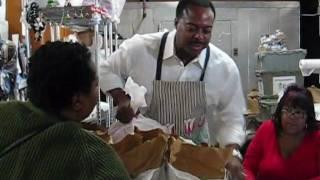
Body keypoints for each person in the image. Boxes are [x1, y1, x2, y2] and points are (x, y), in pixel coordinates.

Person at [100, 0, 246, 178]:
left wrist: (232, 152)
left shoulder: (223, 67)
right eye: (192, 28)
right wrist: (120, 97)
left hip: (193, 158)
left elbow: (232, 117)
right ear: (177, 23)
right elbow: (106, 69)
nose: (199, 36)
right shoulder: (141, 48)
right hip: (147, 154)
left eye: (206, 30)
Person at [0, 41, 130, 179]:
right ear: (77, 102)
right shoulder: (94, 158)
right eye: (96, 85)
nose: (99, 91)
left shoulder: (5, 114)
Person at [243, 84, 320, 180]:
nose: (292, 117)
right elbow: (247, 167)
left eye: (298, 112)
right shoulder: (267, 129)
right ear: (280, 113)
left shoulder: (316, 137)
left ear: (308, 117)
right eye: (287, 110)